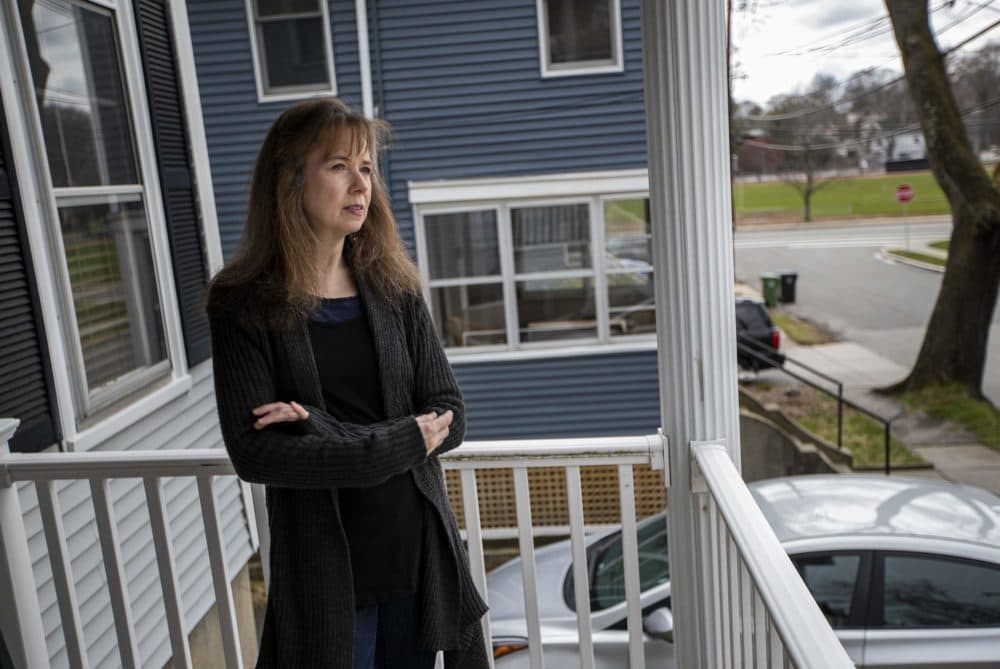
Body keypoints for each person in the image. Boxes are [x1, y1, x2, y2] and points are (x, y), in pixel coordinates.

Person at [205, 97, 489, 669]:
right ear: (291, 179)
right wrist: (404, 440)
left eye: (366, 168)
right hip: (325, 567)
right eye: (339, 167)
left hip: (414, 549)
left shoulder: (393, 288)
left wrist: (320, 426)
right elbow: (258, 454)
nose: (360, 185)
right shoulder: (242, 302)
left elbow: (449, 413)